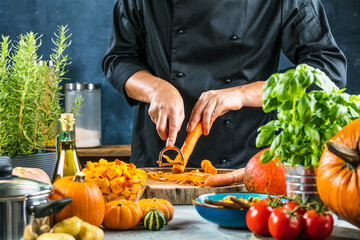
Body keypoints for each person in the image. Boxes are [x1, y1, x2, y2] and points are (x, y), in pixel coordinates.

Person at [102, 0, 346, 169]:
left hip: (246, 161)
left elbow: (327, 69)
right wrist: (156, 89)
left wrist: (241, 94)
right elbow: (119, 59)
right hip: (160, 158)